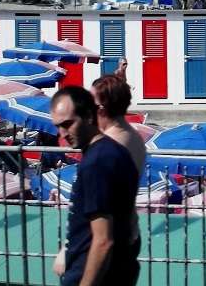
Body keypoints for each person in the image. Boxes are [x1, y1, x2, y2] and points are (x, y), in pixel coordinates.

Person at [50, 86, 140, 286]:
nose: (62, 133)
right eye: (58, 126)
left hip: (91, 275)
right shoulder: (114, 151)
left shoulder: (96, 162)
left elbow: (102, 240)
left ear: (89, 116)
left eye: (68, 124)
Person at [92, 76, 146, 259]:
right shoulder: (134, 136)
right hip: (129, 233)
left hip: (110, 241)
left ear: (102, 109)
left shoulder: (108, 147)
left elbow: (102, 204)